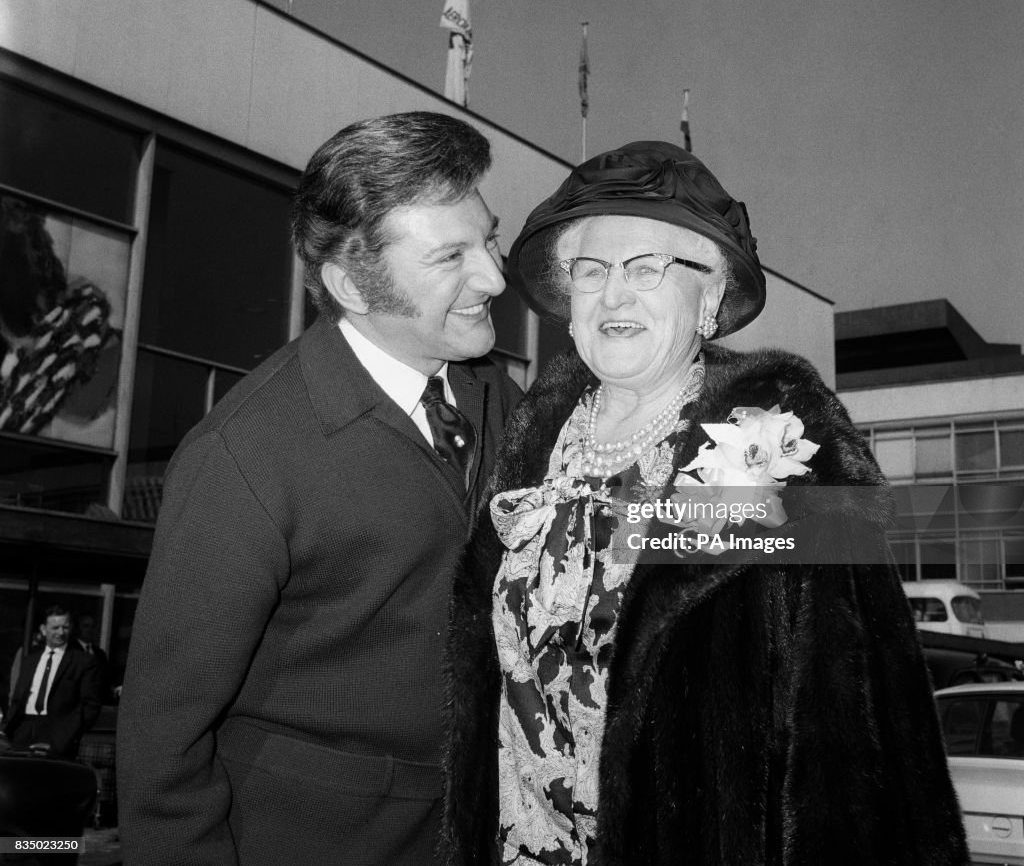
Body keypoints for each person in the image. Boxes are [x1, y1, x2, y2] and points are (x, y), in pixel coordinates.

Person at [443, 141, 968, 866]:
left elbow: (856, 718)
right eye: (591, 271)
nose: (614, 295)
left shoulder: (778, 437)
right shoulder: (536, 434)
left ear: (711, 296)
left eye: (647, 267)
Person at [117, 112, 522, 866]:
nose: (495, 276)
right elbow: (161, 742)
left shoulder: (504, 403)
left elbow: (629, 533)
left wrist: (796, 518)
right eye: (451, 257)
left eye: (490, 238)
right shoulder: (244, 457)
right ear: (351, 285)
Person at [3, 605, 101, 760]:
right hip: (23, 729)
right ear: (43, 629)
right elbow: (17, 696)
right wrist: (9, 727)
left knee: (49, 781)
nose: (61, 633)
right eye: (55, 627)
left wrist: (65, 738)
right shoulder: (30, 659)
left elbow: (90, 706)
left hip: (57, 734)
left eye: (65, 627)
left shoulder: (83, 661)